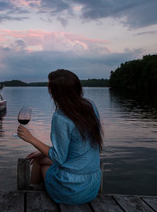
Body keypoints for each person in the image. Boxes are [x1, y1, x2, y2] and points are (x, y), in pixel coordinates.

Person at [17, 69, 103, 205]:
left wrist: (31, 138)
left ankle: (31, 198)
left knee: (40, 163)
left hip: (72, 191)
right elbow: (74, 149)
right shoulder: (90, 106)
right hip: (91, 186)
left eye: (50, 88)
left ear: (56, 93)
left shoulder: (61, 117)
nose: (49, 91)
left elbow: (59, 158)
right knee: (41, 157)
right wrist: (42, 152)